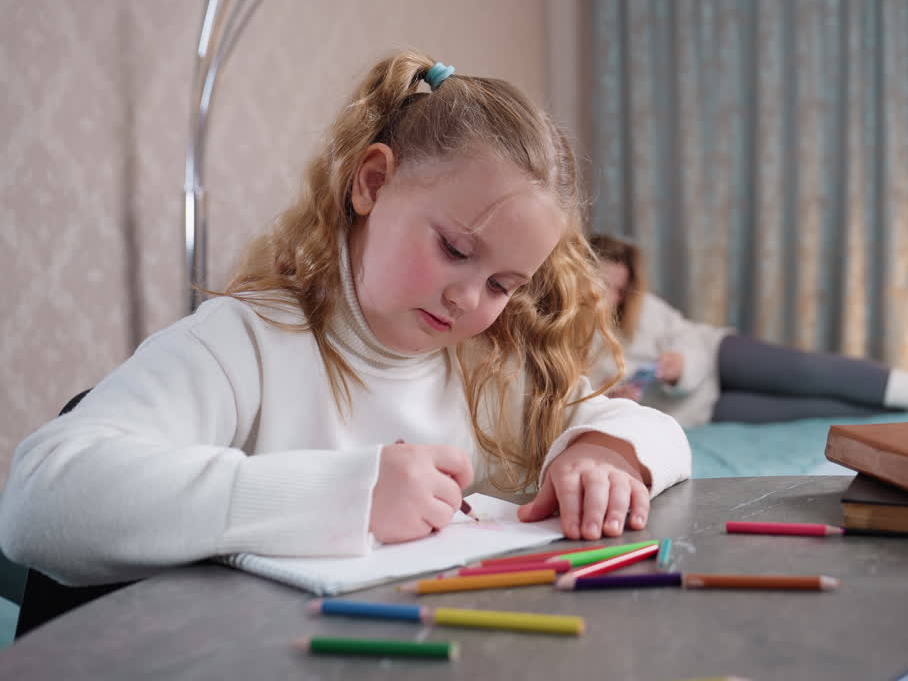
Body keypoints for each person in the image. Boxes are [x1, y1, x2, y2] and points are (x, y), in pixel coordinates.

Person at [0, 52, 690, 587]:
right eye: (454, 250)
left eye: (503, 284)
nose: (468, 300)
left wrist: (605, 452)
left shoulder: (494, 364)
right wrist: (346, 495)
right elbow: (37, 502)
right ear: (373, 182)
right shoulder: (248, 342)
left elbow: (650, 427)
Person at [589, 233, 908, 427]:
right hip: (699, 411)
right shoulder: (563, 341)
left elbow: (685, 338)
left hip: (720, 358)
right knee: (824, 408)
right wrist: (614, 404)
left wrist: (683, 365)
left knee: (820, 372)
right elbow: (577, 405)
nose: (612, 298)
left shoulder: (644, 311)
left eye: (619, 290)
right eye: (602, 286)